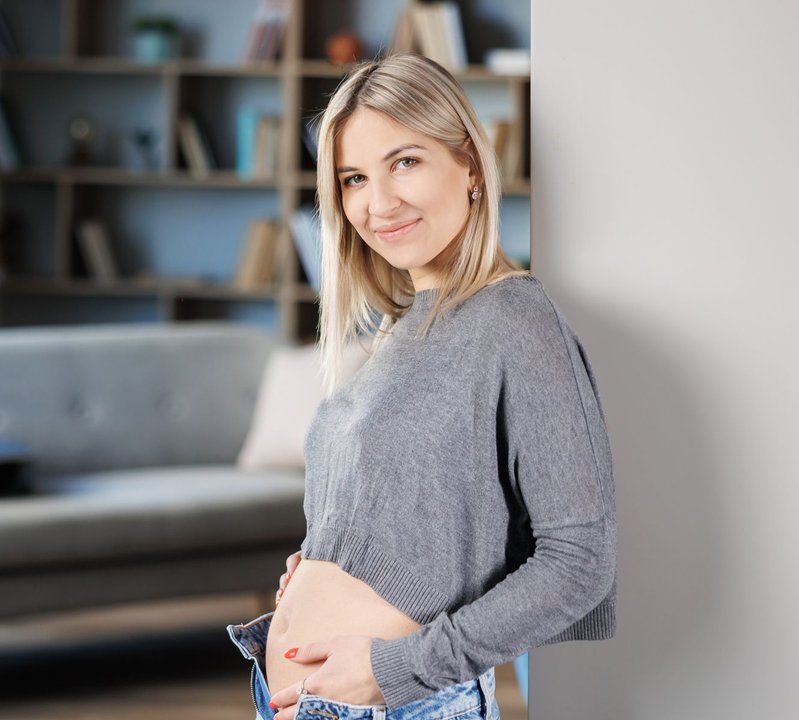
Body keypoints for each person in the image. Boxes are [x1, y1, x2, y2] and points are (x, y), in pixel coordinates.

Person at [224, 52, 617, 720]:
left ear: (468, 163)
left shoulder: (516, 321)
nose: (378, 203)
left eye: (404, 162)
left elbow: (581, 562)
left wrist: (395, 669)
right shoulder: (400, 329)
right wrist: (323, 565)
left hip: (401, 705)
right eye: (353, 178)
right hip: (300, 698)